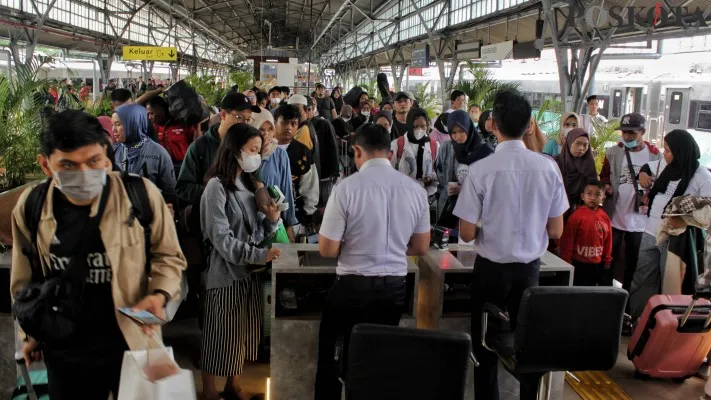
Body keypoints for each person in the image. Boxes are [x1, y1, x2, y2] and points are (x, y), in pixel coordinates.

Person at [13, 110, 186, 399]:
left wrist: (159, 295)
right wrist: (31, 334)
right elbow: (24, 278)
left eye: (94, 161)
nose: (84, 173)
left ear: (107, 155)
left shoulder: (140, 195)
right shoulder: (32, 206)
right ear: (46, 165)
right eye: (68, 165)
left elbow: (169, 256)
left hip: (133, 342)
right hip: (65, 349)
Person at [453, 90, 568, 400]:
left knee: (485, 347)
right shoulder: (548, 168)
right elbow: (556, 230)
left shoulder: (481, 170)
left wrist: (487, 227)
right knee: (528, 347)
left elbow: (464, 232)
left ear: (493, 124)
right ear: (529, 124)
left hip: (490, 273)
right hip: (530, 274)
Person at [314, 123, 431, 399]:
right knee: (377, 360)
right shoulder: (414, 189)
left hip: (351, 289)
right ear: (390, 154)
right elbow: (421, 247)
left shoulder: (346, 188)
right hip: (394, 290)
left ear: (357, 151)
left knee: (333, 359)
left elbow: (328, 249)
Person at [200, 124, 282, 400]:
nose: (256, 157)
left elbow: (258, 232)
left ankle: (232, 385)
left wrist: (272, 221)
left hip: (248, 272)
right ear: (234, 151)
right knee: (218, 332)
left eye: (258, 151)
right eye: (252, 150)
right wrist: (259, 255)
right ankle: (210, 390)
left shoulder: (249, 187)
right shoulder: (216, 187)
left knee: (240, 331)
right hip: (224, 273)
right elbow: (220, 238)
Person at [629, 129, 711, 318]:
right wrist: (643, 172)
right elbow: (648, 167)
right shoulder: (666, 167)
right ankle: (638, 321)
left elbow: (707, 209)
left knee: (670, 283)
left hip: (675, 239)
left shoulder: (701, 176)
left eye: (668, 150)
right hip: (650, 233)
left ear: (681, 151)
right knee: (642, 279)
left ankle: (664, 324)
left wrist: (684, 218)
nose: (663, 153)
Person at [599, 112, 661, 299]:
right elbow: (604, 176)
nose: (627, 137)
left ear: (642, 131)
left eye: (632, 133)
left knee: (634, 261)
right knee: (609, 258)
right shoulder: (614, 152)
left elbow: (660, 184)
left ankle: (626, 298)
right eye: (624, 132)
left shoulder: (654, 155)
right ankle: (605, 295)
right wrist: (606, 186)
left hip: (640, 222)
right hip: (615, 217)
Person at [112, 104, 177, 207]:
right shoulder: (114, 151)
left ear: (133, 123)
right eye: (113, 124)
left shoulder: (158, 153)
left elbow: (170, 193)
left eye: (118, 124)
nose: (113, 130)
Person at [434, 110, 493, 221]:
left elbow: (489, 184)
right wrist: (447, 186)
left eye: (461, 131)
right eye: (453, 132)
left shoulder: (484, 152)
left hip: (474, 210)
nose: (458, 136)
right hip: (448, 208)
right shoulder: (446, 148)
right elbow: (439, 172)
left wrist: (464, 189)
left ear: (468, 128)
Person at [559, 179, 613, 286]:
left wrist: (607, 260)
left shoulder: (605, 218)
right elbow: (568, 240)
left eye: (597, 194)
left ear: (603, 197)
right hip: (578, 264)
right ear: (582, 196)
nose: (593, 197)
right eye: (589, 194)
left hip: (597, 264)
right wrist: (566, 261)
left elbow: (608, 241)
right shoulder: (575, 217)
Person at [274, 104, 319, 224]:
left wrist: (309, 212)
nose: (288, 127)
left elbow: (310, 185)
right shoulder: (264, 148)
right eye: (284, 122)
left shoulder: (303, 152)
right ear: (275, 122)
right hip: (267, 211)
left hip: (295, 211)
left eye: (293, 124)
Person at [256, 115, 299, 241]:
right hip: (252, 223)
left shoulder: (279, 154)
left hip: (275, 220)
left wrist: (289, 225)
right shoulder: (246, 155)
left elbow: (286, 191)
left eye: (270, 129)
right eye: (261, 129)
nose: (266, 134)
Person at [389, 107, 439, 197]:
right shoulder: (397, 145)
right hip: (403, 196)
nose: (419, 130)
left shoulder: (434, 145)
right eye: (415, 126)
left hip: (428, 196)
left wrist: (430, 178)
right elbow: (390, 172)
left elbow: (438, 171)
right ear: (409, 125)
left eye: (423, 126)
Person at [145, 96, 199, 178]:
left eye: (152, 113)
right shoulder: (153, 128)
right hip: (163, 168)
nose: (149, 117)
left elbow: (197, 144)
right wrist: (158, 90)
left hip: (184, 168)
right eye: (148, 114)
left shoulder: (183, 123)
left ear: (162, 110)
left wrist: (197, 126)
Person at [307, 96, 341, 209]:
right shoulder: (296, 126)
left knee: (325, 206)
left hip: (324, 174)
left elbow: (333, 147)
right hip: (307, 174)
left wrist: (335, 171)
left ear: (311, 109)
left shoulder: (323, 124)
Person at [556, 128, 597, 211]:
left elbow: (593, 190)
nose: (581, 148)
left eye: (585, 145)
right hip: (557, 209)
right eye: (578, 143)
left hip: (581, 211)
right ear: (569, 142)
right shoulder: (555, 163)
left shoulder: (589, 165)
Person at [287, 94, 322, 178]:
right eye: (290, 109)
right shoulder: (306, 126)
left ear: (306, 111)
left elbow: (297, 168)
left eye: (297, 109)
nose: (294, 113)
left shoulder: (304, 131)